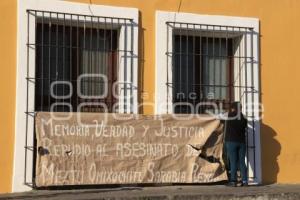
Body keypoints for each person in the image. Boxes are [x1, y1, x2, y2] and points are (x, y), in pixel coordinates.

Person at [224, 102, 248, 187]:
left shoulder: (230, 115)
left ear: (233, 108)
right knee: (242, 162)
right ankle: (245, 181)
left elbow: (218, 116)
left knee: (233, 162)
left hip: (231, 141)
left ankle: (233, 181)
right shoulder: (244, 117)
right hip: (242, 142)